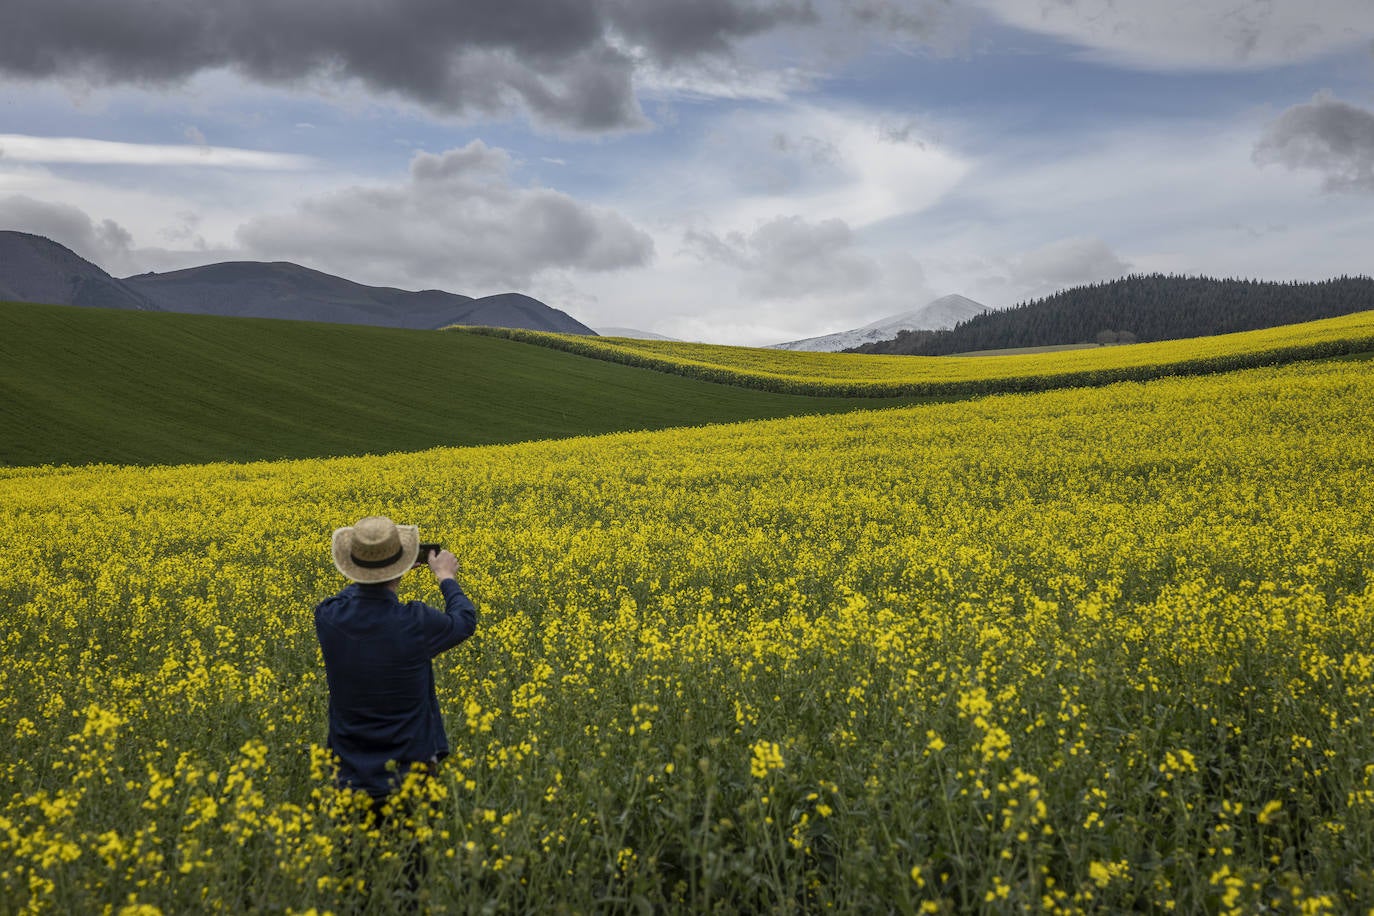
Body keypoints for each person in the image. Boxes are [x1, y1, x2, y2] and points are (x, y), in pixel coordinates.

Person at [314, 515, 478, 904]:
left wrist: (373, 571)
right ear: (402, 568)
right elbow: (464, 620)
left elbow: (349, 598)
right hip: (410, 774)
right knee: (410, 882)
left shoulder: (329, 618)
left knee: (354, 884)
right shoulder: (416, 622)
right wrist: (444, 576)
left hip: (349, 776)